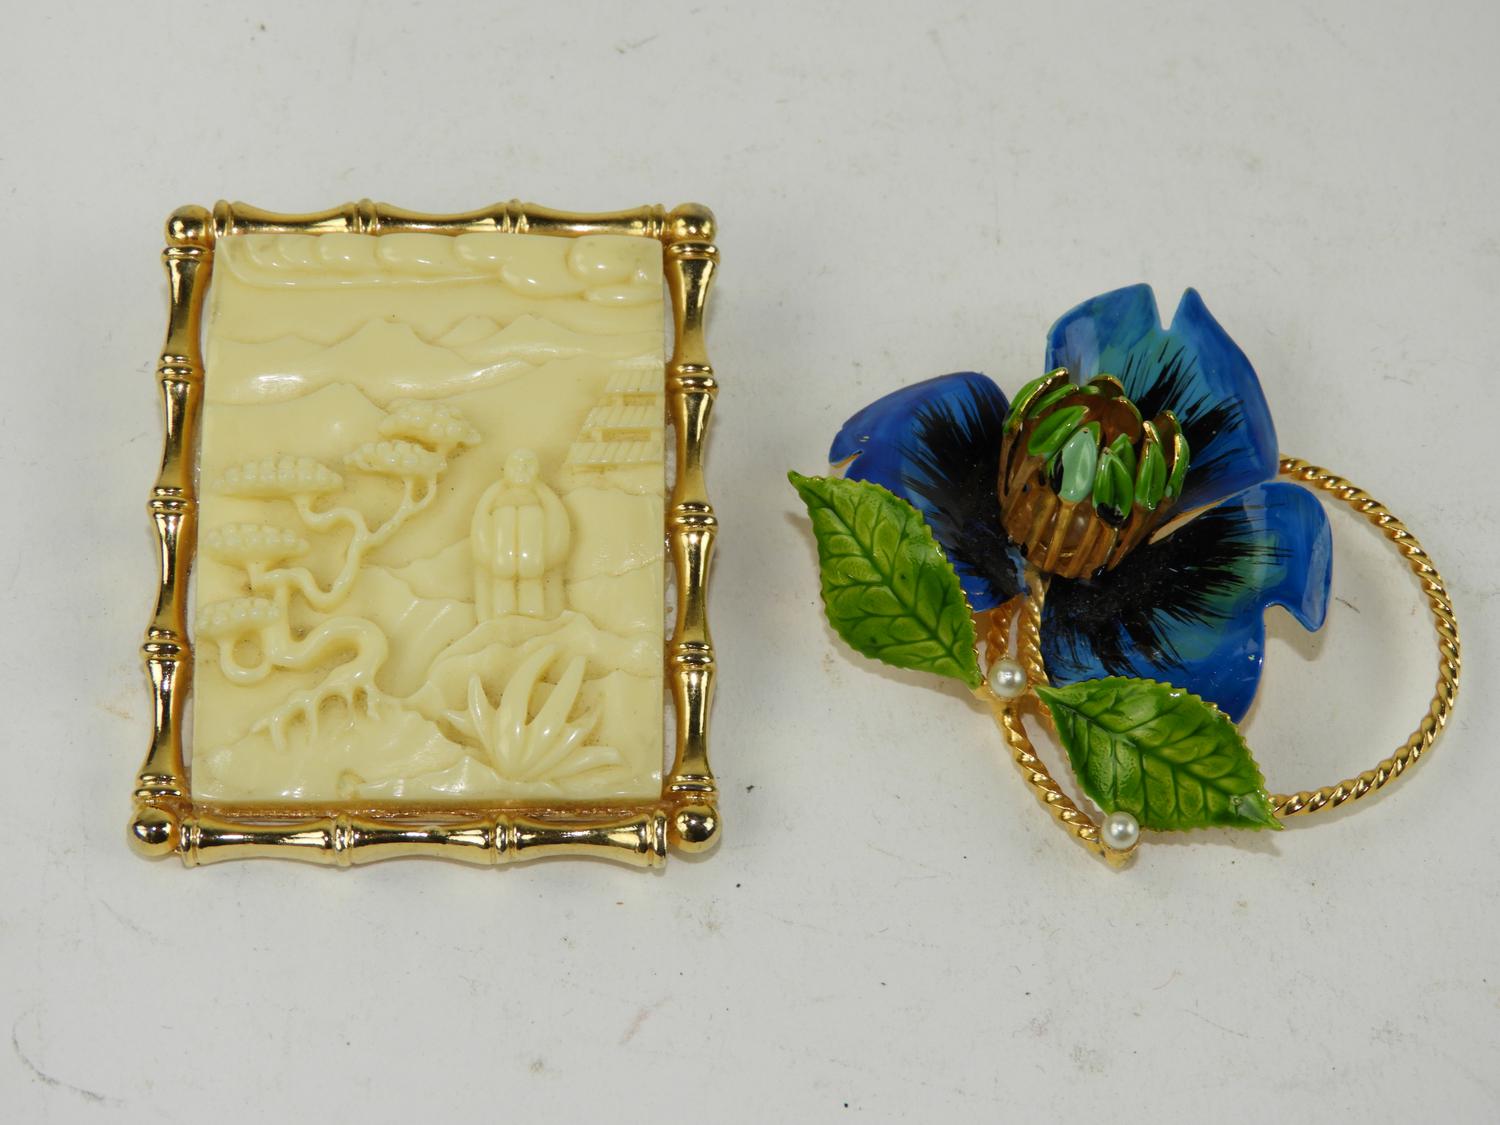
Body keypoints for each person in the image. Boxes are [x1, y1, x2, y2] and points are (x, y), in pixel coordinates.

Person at [471, 449, 570, 620]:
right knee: (503, 582)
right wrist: (486, 552)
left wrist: (551, 552)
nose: (521, 470)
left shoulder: (542, 495)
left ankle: (534, 614)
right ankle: (502, 614)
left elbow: (557, 520)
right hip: (501, 558)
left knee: (531, 582)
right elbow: (481, 520)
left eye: (527, 466)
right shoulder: (496, 494)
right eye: (515, 465)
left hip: (534, 558)